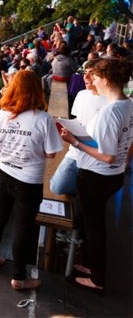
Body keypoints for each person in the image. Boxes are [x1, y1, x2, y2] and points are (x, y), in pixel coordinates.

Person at [0, 70, 63, 290]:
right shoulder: (43, 119)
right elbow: (51, 154)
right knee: (23, 226)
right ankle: (19, 277)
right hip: (28, 181)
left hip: (3, 174)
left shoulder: (1, 115)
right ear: (37, 90)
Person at [59, 58, 133, 293]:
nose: (90, 80)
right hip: (113, 175)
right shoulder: (129, 104)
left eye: (95, 76)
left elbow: (107, 155)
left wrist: (74, 142)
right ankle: (91, 265)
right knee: (92, 223)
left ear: (106, 80)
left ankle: (97, 279)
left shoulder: (109, 112)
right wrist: (124, 163)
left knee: (95, 228)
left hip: (97, 175)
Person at [50, 59, 107, 195]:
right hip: (76, 151)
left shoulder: (111, 100)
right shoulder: (81, 95)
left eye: (91, 73)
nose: (85, 77)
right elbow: (78, 119)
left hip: (98, 155)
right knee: (57, 188)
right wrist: (68, 127)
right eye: (85, 72)